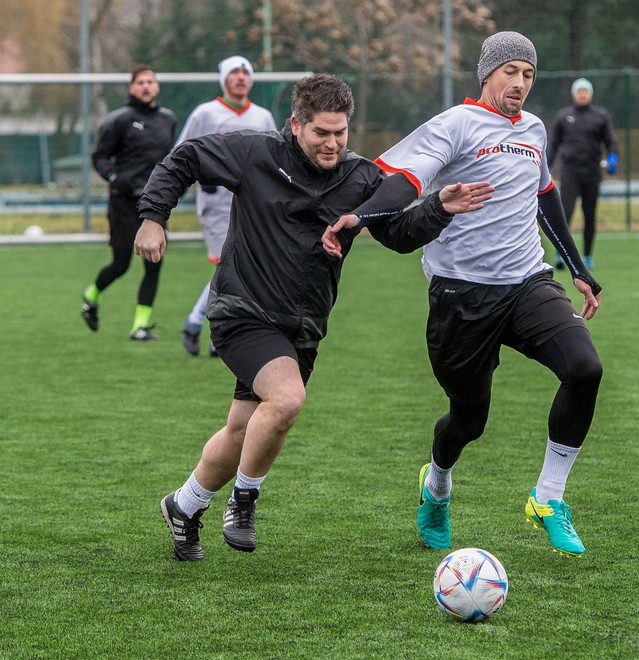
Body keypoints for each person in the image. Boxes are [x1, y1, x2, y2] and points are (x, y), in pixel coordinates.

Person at [135, 73, 493, 562]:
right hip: (243, 310)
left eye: (340, 132)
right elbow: (185, 158)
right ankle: (243, 502)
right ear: (295, 125)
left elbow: (399, 234)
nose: (331, 143)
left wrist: (439, 208)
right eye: (320, 132)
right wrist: (154, 216)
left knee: (244, 429)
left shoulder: (360, 177)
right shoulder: (256, 154)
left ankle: (183, 505)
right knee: (286, 400)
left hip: (302, 327)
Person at [326, 31, 604, 557]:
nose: (519, 84)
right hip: (461, 297)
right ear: (487, 74)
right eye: (510, 73)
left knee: (585, 369)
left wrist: (578, 268)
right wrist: (361, 217)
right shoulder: (456, 123)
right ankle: (437, 486)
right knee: (468, 421)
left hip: (527, 283)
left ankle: (548, 498)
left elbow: (544, 195)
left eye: (528, 74)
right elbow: (402, 178)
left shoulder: (535, 130)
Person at [177, 55, 277, 356]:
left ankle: (202, 325)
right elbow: (182, 153)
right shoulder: (205, 113)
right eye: (234, 72)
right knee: (229, 266)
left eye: (246, 72)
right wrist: (196, 178)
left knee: (242, 268)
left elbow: (274, 156)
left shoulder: (262, 117)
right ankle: (207, 328)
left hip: (252, 203)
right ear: (224, 79)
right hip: (217, 204)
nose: (241, 77)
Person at [82, 65, 176, 340]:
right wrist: (115, 178)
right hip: (123, 202)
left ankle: (140, 326)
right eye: (140, 82)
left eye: (151, 81)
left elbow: (171, 156)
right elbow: (99, 157)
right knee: (121, 264)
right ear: (131, 88)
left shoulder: (168, 119)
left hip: (155, 204)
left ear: (157, 87)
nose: (146, 86)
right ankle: (91, 296)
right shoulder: (119, 120)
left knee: (155, 262)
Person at [547, 77, 619, 270]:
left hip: (592, 172)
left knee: (589, 215)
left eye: (585, 91)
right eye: (579, 91)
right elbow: (553, 144)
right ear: (574, 94)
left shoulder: (601, 116)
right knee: (565, 213)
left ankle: (587, 256)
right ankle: (561, 255)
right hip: (570, 171)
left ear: (590, 94)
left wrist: (613, 157)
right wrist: (546, 165)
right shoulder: (564, 116)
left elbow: (611, 140)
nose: (582, 94)